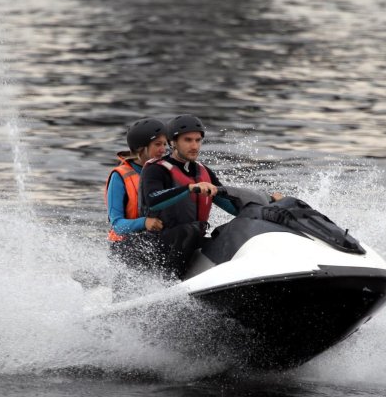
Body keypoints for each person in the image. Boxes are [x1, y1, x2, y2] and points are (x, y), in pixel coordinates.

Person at [140, 114, 282, 279]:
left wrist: (268, 203)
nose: (194, 146)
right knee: (189, 231)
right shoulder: (156, 169)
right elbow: (153, 201)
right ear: (173, 142)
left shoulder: (204, 172)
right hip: (160, 246)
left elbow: (232, 206)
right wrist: (190, 188)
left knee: (233, 230)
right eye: (188, 140)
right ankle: (168, 283)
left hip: (191, 242)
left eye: (198, 140)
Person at [104, 117, 167, 269]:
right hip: (126, 246)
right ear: (141, 149)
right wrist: (145, 222)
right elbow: (117, 226)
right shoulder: (119, 177)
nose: (163, 150)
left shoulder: (166, 170)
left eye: (165, 144)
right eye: (157, 144)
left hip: (157, 240)